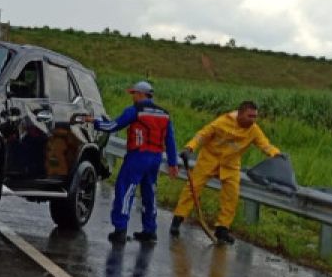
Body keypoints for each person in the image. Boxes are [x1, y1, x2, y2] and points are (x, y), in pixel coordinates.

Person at [171, 100, 281, 244]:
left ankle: (222, 229)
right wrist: (189, 148)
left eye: (255, 117)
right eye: (250, 116)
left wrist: (277, 155)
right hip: (209, 160)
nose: (253, 120)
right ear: (240, 114)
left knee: (231, 196)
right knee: (193, 189)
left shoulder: (254, 130)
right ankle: (178, 219)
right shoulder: (222, 122)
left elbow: (265, 145)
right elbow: (202, 135)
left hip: (230, 165)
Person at [93, 80, 179, 244]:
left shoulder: (135, 110)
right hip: (155, 158)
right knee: (149, 193)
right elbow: (170, 140)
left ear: (141, 94)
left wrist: (95, 122)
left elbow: (112, 126)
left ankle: (120, 230)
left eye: (134, 94)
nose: (133, 97)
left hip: (137, 156)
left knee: (125, 190)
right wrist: (173, 163)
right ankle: (150, 231)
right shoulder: (164, 114)